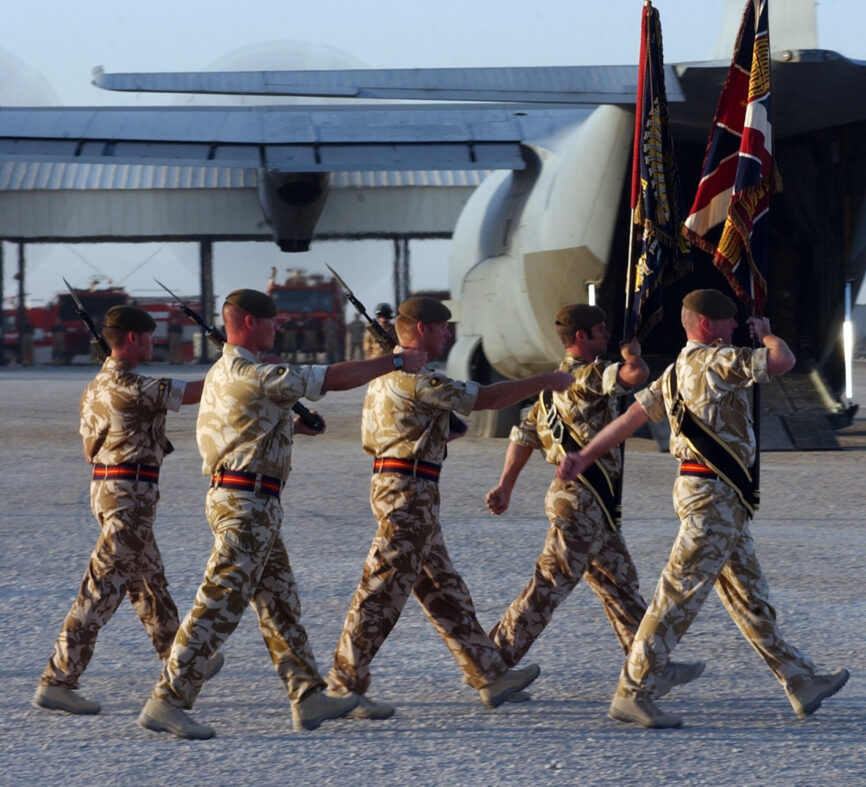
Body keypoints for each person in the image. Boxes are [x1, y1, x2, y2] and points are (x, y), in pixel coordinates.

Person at [137, 289, 427, 740]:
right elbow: (330, 377)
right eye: (272, 321)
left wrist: (290, 429)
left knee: (280, 604)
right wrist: (394, 361)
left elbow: (243, 431)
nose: (278, 328)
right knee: (219, 602)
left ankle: (307, 695)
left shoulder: (222, 373)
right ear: (251, 322)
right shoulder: (250, 372)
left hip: (249, 499)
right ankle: (168, 699)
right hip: (246, 504)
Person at [558, 289, 850, 729]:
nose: (736, 328)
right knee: (676, 596)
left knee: (750, 597)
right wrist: (768, 335)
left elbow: (631, 418)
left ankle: (800, 679)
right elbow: (782, 361)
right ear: (708, 325)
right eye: (729, 322)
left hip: (715, 497)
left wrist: (585, 456)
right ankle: (633, 691)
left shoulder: (676, 372)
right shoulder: (717, 361)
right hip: (712, 499)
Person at [324, 296, 574, 719]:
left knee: (444, 589)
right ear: (422, 330)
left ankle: (489, 673)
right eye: (442, 328)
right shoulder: (417, 381)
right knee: (381, 590)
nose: (448, 335)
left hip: (403, 488)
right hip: (409, 493)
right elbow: (491, 399)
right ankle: (342, 685)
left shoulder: (384, 379)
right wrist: (546, 380)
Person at [484, 304, 703, 695]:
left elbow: (523, 436)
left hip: (593, 507)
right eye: (601, 330)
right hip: (582, 505)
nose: (607, 336)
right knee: (547, 588)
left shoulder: (550, 390)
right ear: (581, 337)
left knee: (622, 588)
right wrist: (631, 355)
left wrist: (506, 485)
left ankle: (650, 667)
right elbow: (636, 376)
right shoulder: (582, 377)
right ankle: (490, 666)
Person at [33, 306, 206, 716]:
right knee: (101, 588)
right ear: (132, 338)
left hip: (113, 490)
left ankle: (179, 659)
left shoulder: (95, 387)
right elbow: (197, 392)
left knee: (149, 582)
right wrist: (235, 369)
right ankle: (58, 679)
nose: (153, 342)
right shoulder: (129, 386)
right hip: (129, 496)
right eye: (148, 336)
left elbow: (88, 446)